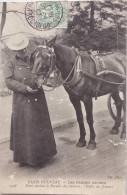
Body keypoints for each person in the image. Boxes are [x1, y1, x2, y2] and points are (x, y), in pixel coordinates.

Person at [4, 33, 57, 167]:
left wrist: (43, 80)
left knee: (40, 126)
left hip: (38, 97)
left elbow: (42, 69)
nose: (23, 51)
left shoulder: (34, 59)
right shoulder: (10, 64)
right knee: (26, 128)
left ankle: (42, 156)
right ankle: (25, 158)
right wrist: (25, 88)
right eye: (20, 49)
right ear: (15, 51)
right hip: (22, 99)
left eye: (24, 48)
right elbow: (9, 81)